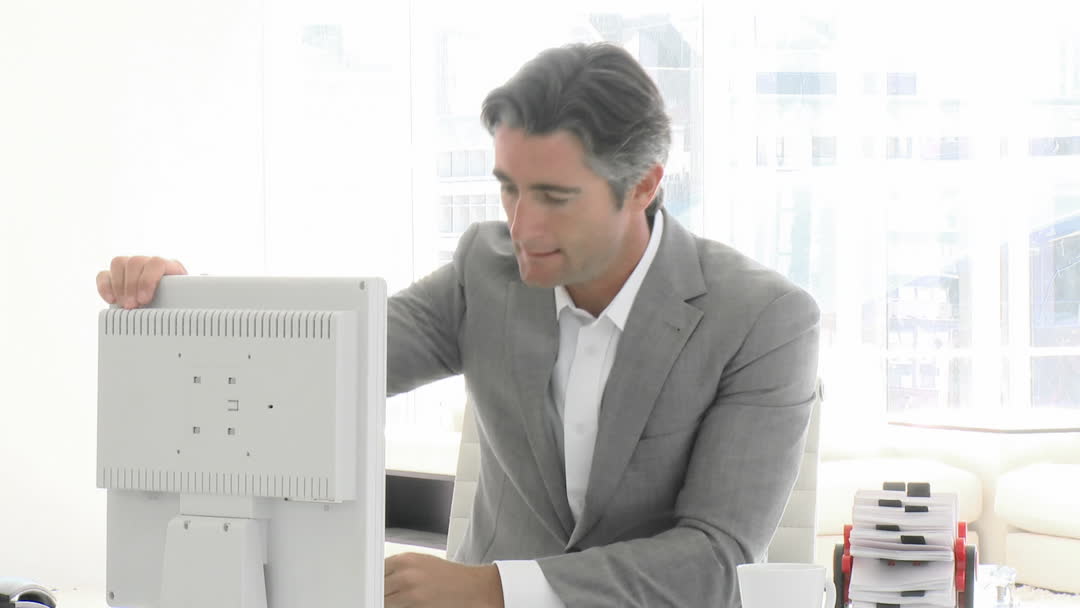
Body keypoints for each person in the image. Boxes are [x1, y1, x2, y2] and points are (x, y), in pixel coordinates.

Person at [97, 42, 820, 608]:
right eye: (508, 188)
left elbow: (716, 561)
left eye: (554, 197)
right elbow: (323, 361)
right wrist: (183, 302)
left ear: (644, 185)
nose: (522, 226)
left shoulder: (762, 320)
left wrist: (494, 590)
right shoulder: (488, 271)